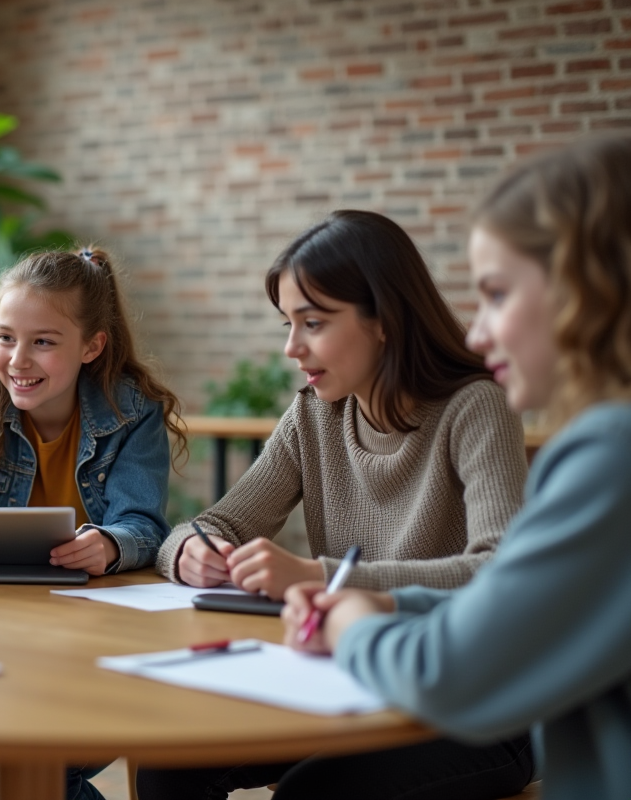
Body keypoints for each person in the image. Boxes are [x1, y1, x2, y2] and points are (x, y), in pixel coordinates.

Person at [139, 210, 535, 799]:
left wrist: (321, 577)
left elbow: (501, 573)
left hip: (481, 701)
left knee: (314, 794)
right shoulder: (315, 413)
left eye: (313, 323)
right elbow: (214, 522)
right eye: (288, 323)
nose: (291, 347)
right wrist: (190, 552)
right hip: (358, 678)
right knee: (169, 766)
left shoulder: (476, 406)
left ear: (384, 321)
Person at [282, 135, 631, 800]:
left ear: (588, 292)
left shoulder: (609, 456)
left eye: (497, 294)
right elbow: (524, 603)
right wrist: (387, 602)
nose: (477, 333)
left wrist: (352, 624)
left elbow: (445, 670)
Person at [0, 248, 187, 800]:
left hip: (103, 647)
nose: (18, 360)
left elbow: (142, 525)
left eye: (44, 342)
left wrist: (108, 544)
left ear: (91, 346)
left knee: (8, 757)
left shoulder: (133, 410)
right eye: (6, 337)